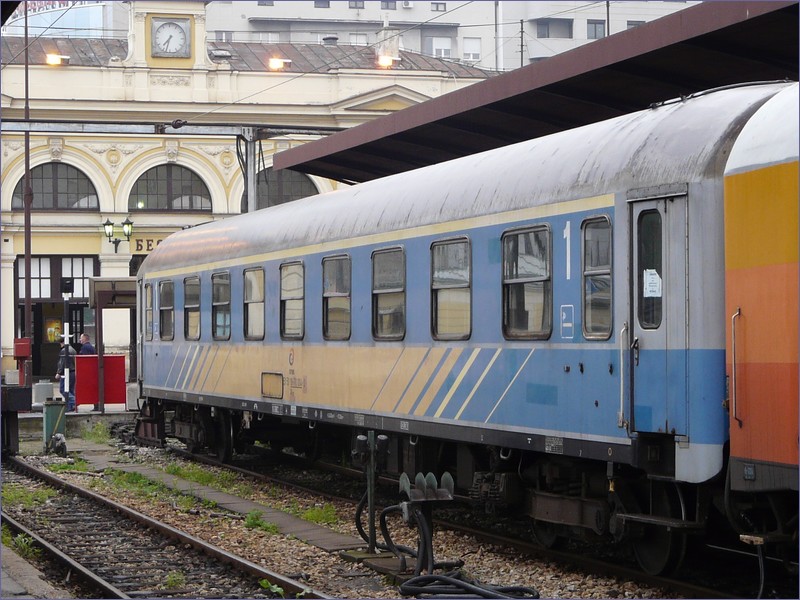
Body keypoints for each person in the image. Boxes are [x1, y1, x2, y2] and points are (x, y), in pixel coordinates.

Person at [55, 334, 77, 412]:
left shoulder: (64, 350)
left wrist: (59, 373)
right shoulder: (73, 349)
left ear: (63, 342)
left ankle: (74, 401)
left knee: (63, 390)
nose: (60, 345)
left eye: (60, 343)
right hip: (73, 372)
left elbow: (62, 362)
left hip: (67, 372)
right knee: (70, 390)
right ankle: (71, 407)